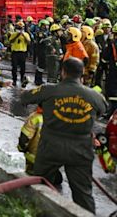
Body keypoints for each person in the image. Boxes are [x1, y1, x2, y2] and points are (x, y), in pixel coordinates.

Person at [21, 58, 107, 213]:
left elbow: (25, 98)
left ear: (63, 72)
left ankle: (37, 212)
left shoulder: (48, 90)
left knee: (40, 185)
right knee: (83, 194)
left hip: (50, 147)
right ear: (82, 74)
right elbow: (103, 110)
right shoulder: (95, 96)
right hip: (81, 151)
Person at [17, 106, 43, 174]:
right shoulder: (58, 119)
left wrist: (21, 149)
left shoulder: (35, 117)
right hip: (50, 164)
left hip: (33, 160)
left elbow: (24, 138)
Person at [8, 21, 31, 87]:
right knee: (14, 67)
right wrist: (17, 35)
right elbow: (10, 41)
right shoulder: (13, 34)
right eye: (19, 27)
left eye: (21, 28)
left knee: (22, 67)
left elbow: (29, 42)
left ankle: (22, 78)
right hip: (15, 52)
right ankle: (14, 80)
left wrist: (23, 35)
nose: (20, 29)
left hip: (22, 52)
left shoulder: (26, 34)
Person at [101, 24, 117, 117]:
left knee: (112, 91)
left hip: (113, 70)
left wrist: (103, 66)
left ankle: (112, 112)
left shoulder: (112, 44)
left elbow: (105, 58)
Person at [34, 20, 50, 85]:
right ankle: (38, 79)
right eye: (45, 25)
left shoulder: (47, 32)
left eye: (47, 25)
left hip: (44, 50)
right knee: (41, 65)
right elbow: (41, 36)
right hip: (40, 50)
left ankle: (39, 79)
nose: (46, 27)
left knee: (42, 66)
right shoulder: (39, 32)